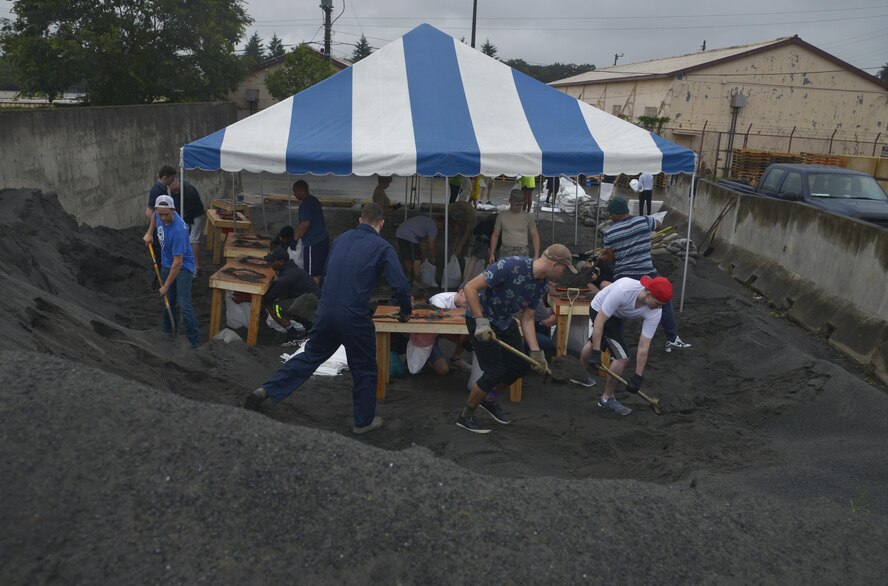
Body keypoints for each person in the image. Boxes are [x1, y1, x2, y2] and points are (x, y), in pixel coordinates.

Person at [243, 203, 412, 434]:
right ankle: (363, 422)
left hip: (325, 310)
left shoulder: (341, 239)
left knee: (310, 356)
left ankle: (266, 390)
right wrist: (405, 311)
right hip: (353, 316)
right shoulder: (383, 247)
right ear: (380, 224)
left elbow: (329, 272)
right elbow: (401, 286)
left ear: (361, 220)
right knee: (364, 368)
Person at [457, 244, 578, 434]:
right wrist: (481, 322)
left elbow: (528, 318)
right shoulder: (509, 266)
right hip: (480, 319)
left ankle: (489, 399)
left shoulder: (543, 283)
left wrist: (536, 353)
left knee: (520, 365)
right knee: (494, 372)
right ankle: (466, 416)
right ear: (554, 264)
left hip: (505, 321)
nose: (563, 273)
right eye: (564, 269)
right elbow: (470, 287)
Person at [597, 196, 691, 351]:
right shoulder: (644, 221)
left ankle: (616, 343)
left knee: (618, 308)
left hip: (624, 275)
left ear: (615, 214)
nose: (610, 217)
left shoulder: (610, 233)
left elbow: (611, 258)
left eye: (611, 215)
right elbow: (659, 226)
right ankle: (672, 338)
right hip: (647, 272)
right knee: (663, 302)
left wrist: (601, 259)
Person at [576, 276, 673, 416]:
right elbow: (599, 322)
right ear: (647, 294)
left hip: (618, 314)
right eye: (658, 303)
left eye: (662, 305)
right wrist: (597, 353)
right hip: (599, 309)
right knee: (622, 357)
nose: (659, 307)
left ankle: (579, 374)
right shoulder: (624, 290)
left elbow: (644, 347)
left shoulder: (656, 311)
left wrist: (638, 376)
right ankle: (606, 398)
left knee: (595, 341)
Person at [143, 195, 200, 348]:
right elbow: (154, 217)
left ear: (173, 210)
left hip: (183, 268)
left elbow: (178, 262)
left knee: (184, 306)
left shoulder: (180, 230)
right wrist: (149, 233)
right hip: (167, 264)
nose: (163, 217)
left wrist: (166, 285)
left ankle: (195, 343)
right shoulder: (158, 214)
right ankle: (168, 333)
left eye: (166, 214)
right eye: (160, 214)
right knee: (168, 302)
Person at [262, 247, 321, 348]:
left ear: (281, 262)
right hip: (313, 301)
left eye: (271, 261)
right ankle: (306, 330)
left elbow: (268, 299)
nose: (269, 264)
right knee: (283, 302)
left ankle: (295, 335)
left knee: (273, 307)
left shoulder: (287, 277)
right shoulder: (292, 269)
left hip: (312, 304)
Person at [291, 180, 329, 283]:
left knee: (312, 273)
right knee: (319, 269)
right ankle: (318, 290)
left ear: (300, 190)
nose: (294, 195)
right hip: (323, 239)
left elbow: (304, 224)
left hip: (314, 242)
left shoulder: (306, 204)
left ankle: (313, 295)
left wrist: (295, 240)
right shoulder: (314, 200)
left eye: (294, 192)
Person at [488, 189, 540, 264]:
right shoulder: (501, 216)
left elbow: (535, 235)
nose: (519, 206)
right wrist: (492, 254)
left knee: (522, 274)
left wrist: (536, 255)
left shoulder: (527, 217)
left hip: (523, 251)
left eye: (521, 204)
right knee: (505, 274)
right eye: (516, 204)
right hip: (506, 250)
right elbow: (495, 235)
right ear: (510, 201)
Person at [429, 287, 472, 371]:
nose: (469, 302)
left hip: (447, 328)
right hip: (430, 333)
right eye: (468, 298)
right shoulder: (439, 300)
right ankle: (424, 358)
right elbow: (440, 328)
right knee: (443, 370)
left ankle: (456, 359)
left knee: (469, 328)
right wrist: (463, 343)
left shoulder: (467, 300)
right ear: (461, 292)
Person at [170, 179, 205, 278]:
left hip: (196, 215)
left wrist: (183, 224)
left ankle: (197, 267)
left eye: (171, 186)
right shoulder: (174, 191)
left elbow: (190, 212)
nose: (170, 189)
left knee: (193, 239)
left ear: (176, 183)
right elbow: (175, 205)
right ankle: (184, 262)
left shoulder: (189, 192)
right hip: (185, 214)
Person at [145, 165, 177, 272]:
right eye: (172, 179)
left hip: (162, 229)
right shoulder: (156, 190)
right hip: (158, 231)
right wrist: (161, 224)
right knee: (160, 255)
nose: (173, 181)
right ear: (164, 177)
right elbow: (149, 212)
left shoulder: (163, 189)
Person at [395, 214, 443, 284]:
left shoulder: (427, 221)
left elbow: (419, 242)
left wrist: (423, 254)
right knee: (417, 258)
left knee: (407, 256)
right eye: (443, 226)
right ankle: (417, 280)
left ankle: (410, 276)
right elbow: (431, 246)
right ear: (440, 223)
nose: (441, 228)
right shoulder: (433, 227)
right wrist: (433, 258)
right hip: (409, 235)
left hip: (400, 232)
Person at [463, 212, 498, 281]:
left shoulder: (485, 222)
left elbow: (475, 230)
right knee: (490, 261)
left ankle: (465, 280)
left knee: (473, 259)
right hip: (486, 241)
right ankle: (488, 279)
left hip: (478, 239)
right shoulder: (497, 223)